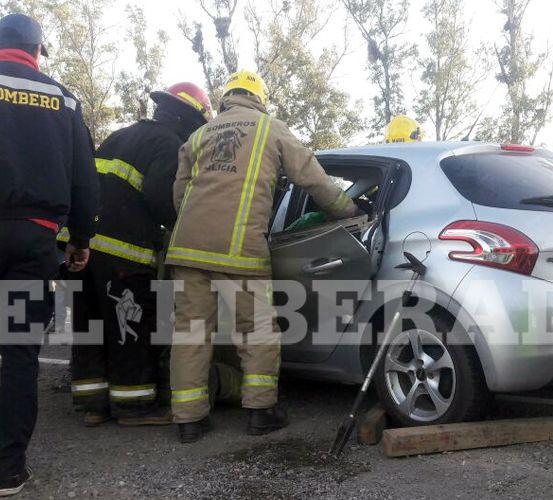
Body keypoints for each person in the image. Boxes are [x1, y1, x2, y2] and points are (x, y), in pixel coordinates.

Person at [0, 13, 99, 497]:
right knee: (20, 349)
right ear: (37, 49)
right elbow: (82, 175)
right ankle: (9, 467)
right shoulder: (62, 98)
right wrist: (81, 238)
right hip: (34, 238)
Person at [166, 70, 360, 443]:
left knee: (190, 332)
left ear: (227, 97)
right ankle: (260, 411)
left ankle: (189, 420)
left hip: (187, 247)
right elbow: (313, 178)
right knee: (256, 330)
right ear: (259, 99)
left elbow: (180, 195)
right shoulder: (271, 128)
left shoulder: (198, 135)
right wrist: (347, 210)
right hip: (239, 249)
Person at [62, 83, 213, 427]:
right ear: (191, 118)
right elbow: (164, 200)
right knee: (128, 327)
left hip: (82, 246)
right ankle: (134, 405)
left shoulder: (122, 134)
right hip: (123, 254)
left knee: (90, 324)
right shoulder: (169, 144)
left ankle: (93, 404)